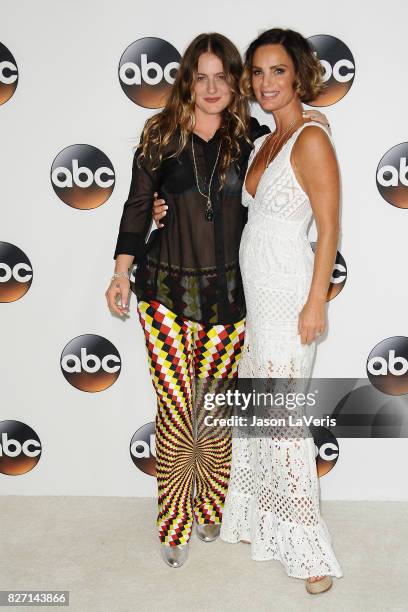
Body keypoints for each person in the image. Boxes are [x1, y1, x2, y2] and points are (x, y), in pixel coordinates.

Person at [106, 32, 329, 569]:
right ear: (188, 80)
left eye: (222, 77)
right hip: (164, 291)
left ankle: (211, 504)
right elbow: (139, 206)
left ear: (236, 83)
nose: (211, 88)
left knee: (214, 409)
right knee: (176, 408)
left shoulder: (250, 137)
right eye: (200, 77)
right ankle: (174, 521)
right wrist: (121, 272)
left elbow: (284, 190)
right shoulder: (159, 133)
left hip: (230, 300)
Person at [218, 28, 344, 595]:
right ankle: (257, 521)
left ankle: (310, 554)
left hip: (290, 297)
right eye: (259, 73)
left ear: (299, 76)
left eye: (279, 72)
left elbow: (330, 226)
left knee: (284, 423)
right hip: (257, 298)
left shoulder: (311, 139)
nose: (266, 83)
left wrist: (316, 301)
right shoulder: (267, 140)